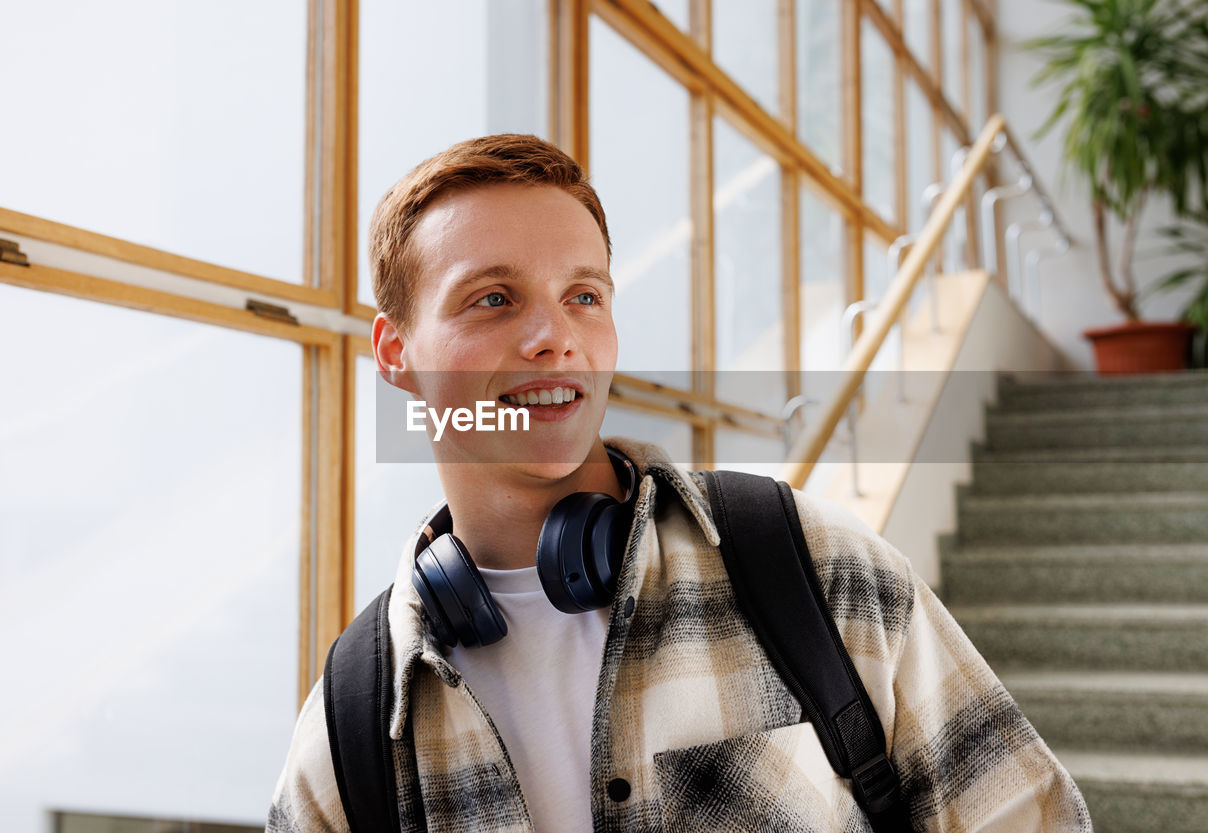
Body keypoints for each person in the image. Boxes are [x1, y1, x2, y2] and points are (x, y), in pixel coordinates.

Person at [266, 134, 1092, 832]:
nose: (556, 336)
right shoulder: (353, 721)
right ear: (394, 352)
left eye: (584, 295)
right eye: (492, 298)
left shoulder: (815, 566)